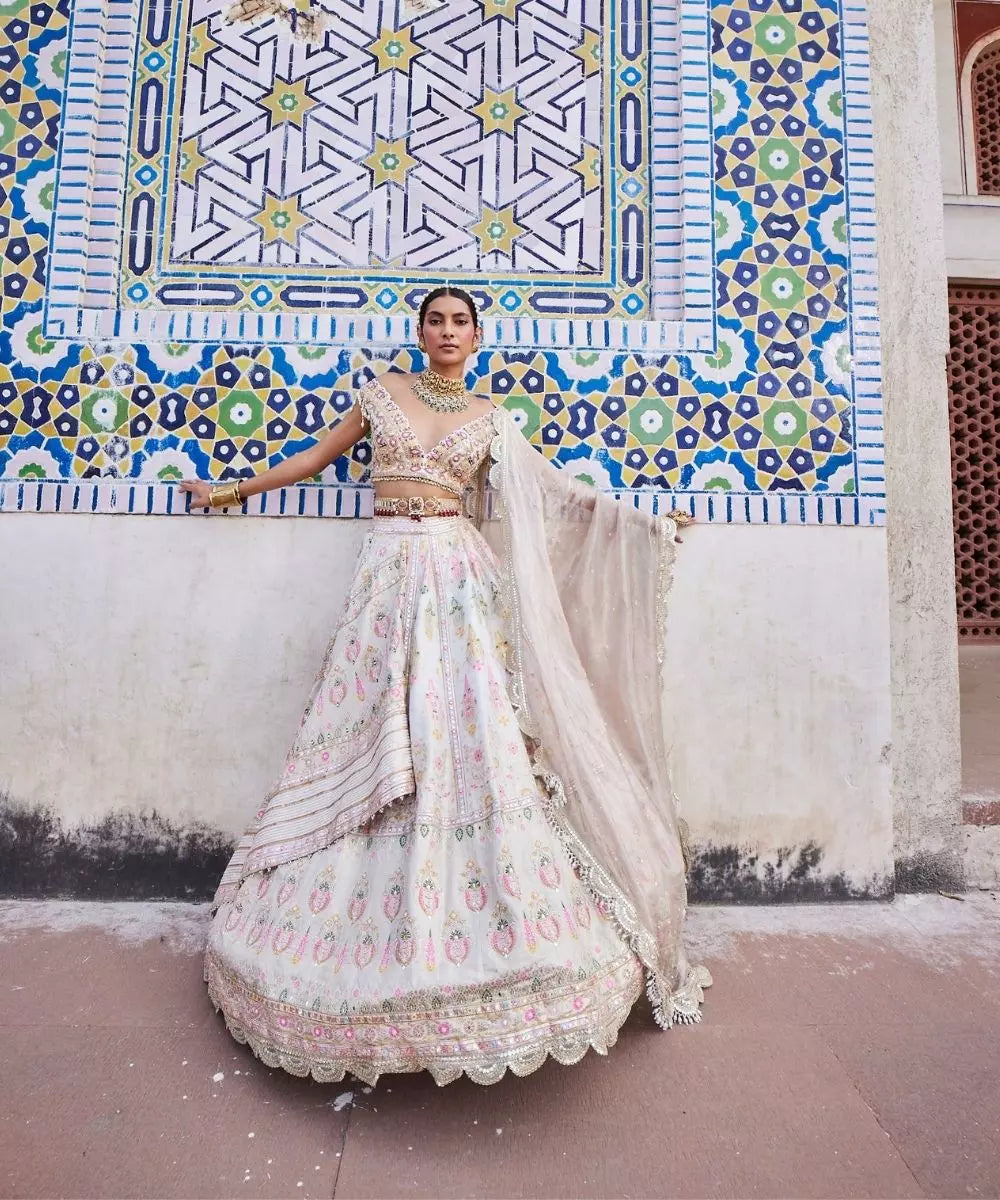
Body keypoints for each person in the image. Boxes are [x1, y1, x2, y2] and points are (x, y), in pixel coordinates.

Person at [180, 286, 710, 1087]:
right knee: (366, 730)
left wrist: (645, 527)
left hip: (459, 581)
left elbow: (556, 498)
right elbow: (315, 459)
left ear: (478, 335)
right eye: (436, 321)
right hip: (386, 576)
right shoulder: (382, 394)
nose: (447, 332)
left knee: (465, 738)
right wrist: (230, 489)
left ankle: (492, 924)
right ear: (420, 331)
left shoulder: (495, 421)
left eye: (460, 322)